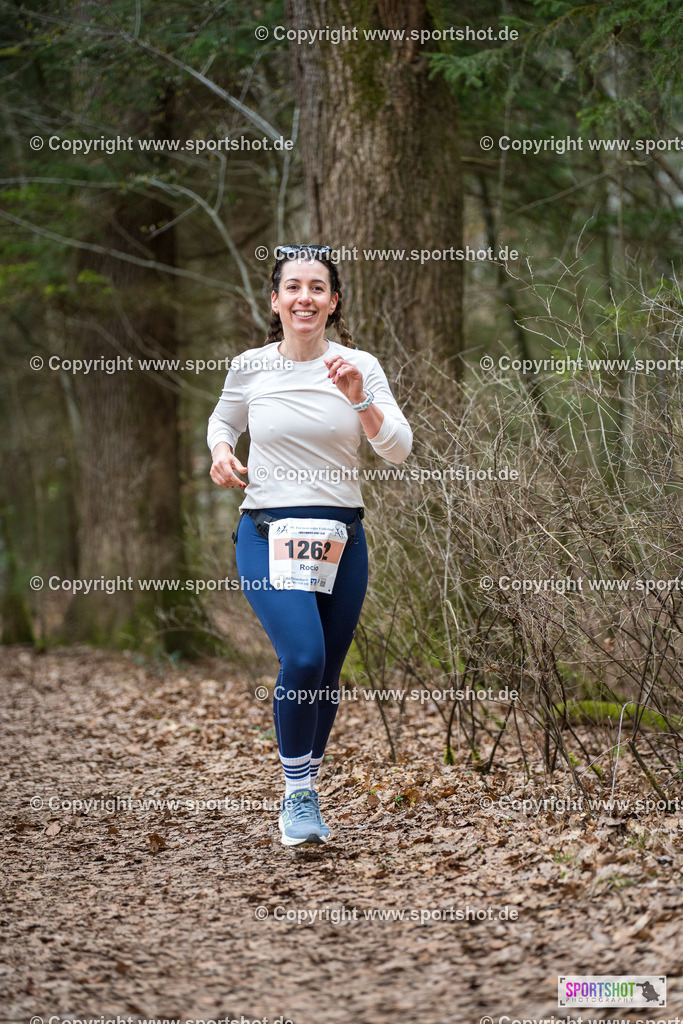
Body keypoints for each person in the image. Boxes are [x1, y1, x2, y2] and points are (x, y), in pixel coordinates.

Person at [207, 244, 412, 846]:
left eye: (317, 287)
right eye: (292, 287)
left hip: (342, 537)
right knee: (301, 656)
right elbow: (224, 421)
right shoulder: (250, 365)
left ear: (333, 301)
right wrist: (221, 452)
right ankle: (298, 795)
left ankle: (306, 784)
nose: (305, 297)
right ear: (275, 300)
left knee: (326, 671)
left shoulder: (359, 364)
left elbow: (398, 449)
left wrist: (360, 397)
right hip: (267, 532)